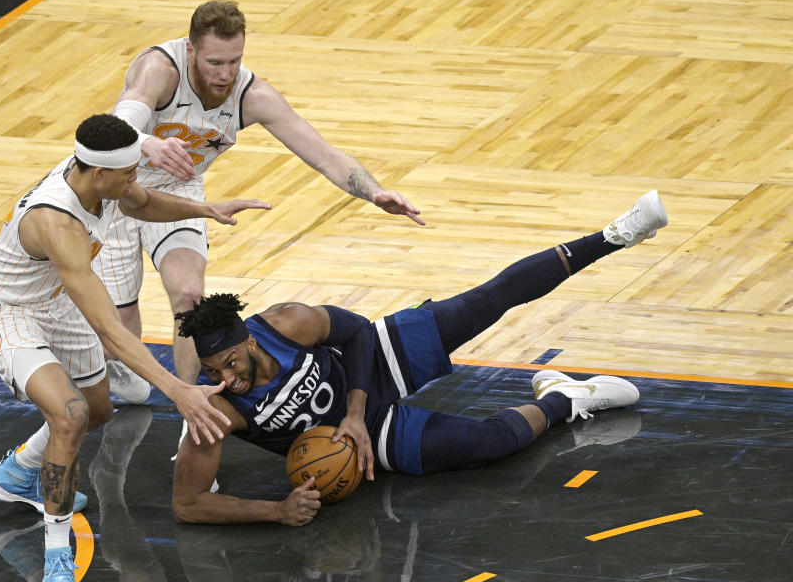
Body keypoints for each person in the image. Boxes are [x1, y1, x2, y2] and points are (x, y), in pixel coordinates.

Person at [170, 191, 669, 525]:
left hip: (365, 372)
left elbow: (360, 333)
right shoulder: (214, 408)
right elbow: (187, 505)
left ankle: (613, 236)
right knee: (489, 444)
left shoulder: (287, 321)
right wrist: (276, 511)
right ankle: (565, 398)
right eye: (214, 372)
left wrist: (356, 411)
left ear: (251, 341)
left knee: (487, 300)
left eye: (232, 364)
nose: (227, 379)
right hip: (348, 442)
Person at [0, 113, 268, 582]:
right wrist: (178, 389)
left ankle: (20, 472)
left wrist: (205, 208)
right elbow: (110, 329)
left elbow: (144, 201)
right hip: (8, 310)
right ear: (98, 174)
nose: (135, 180)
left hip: (55, 300)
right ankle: (57, 559)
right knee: (70, 416)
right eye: (127, 174)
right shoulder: (57, 223)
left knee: (99, 410)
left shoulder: (105, 177)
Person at [95, 0, 424, 406]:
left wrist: (374, 192)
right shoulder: (160, 68)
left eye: (235, 60)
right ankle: (119, 363)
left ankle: (193, 410)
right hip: (117, 187)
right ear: (191, 49)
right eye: (216, 62)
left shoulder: (253, 95)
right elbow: (118, 125)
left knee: (189, 298)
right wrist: (148, 143)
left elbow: (323, 154)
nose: (226, 73)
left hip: (177, 190)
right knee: (120, 321)